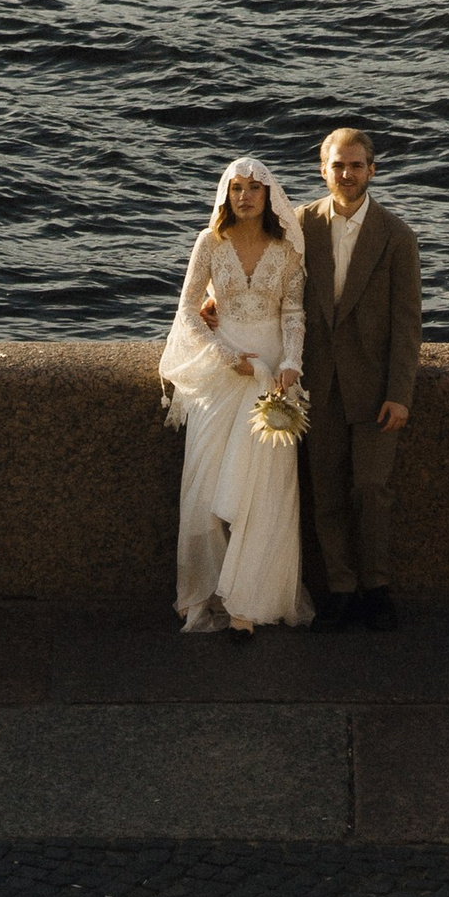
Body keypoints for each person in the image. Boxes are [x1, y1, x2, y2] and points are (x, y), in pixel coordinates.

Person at [159, 158, 312, 638]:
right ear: (225, 194)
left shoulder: (285, 250)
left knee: (261, 492)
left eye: (254, 189)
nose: (245, 196)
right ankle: (204, 594)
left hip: (272, 378)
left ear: (269, 197)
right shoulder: (210, 242)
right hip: (222, 373)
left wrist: (292, 363)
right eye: (236, 188)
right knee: (204, 487)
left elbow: (293, 311)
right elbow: (187, 310)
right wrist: (228, 356)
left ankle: (251, 598)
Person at [297, 126, 422, 631]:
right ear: (322, 169)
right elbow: (249, 262)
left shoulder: (396, 236)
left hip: (373, 389)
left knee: (370, 489)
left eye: (355, 165)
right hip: (317, 384)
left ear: (373, 170)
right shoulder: (300, 225)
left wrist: (400, 395)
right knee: (324, 492)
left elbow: (407, 323)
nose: (346, 174)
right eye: (337, 165)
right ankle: (341, 589)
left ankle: (376, 586)